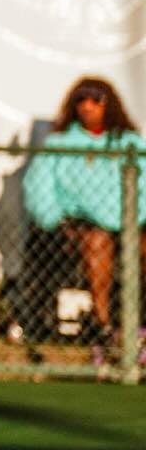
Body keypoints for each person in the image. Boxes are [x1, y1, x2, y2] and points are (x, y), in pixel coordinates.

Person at [23, 76, 146, 351]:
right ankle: (104, 327)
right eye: (81, 100)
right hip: (77, 227)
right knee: (98, 242)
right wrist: (54, 221)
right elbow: (39, 188)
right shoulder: (60, 144)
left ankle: (138, 324)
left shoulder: (130, 143)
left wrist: (136, 220)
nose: (88, 106)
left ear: (109, 104)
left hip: (131, 224)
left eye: (95, 99)